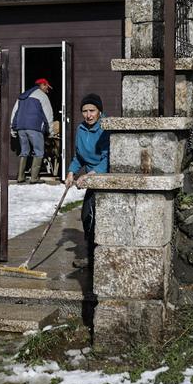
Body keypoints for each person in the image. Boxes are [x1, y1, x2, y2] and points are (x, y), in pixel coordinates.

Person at [65, 93, 109, 268]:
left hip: (105, 178)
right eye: (85, 111)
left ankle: (97, 258)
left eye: (92, 110)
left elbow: (108, 158)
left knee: (95, 217)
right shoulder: (81, 129)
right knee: (87, 217)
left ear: (99, 111)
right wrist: (71, 172)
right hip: (92, 179)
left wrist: (91, 174)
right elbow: (79, 157)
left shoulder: (106, 128)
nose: (88, 115)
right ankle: (92, 256)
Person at [10, 78, 54, 183]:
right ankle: (34, 178)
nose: (48, 89)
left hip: (21, 127)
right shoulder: (42, 96)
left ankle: (20, 177)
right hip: (34, 127)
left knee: (24, 151)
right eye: (47, 87)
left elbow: (14, 112)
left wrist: (13, 128)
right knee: (39, 152)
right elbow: (48, 115)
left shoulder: (23, 96)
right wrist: (51, 132)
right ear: (42, 85)